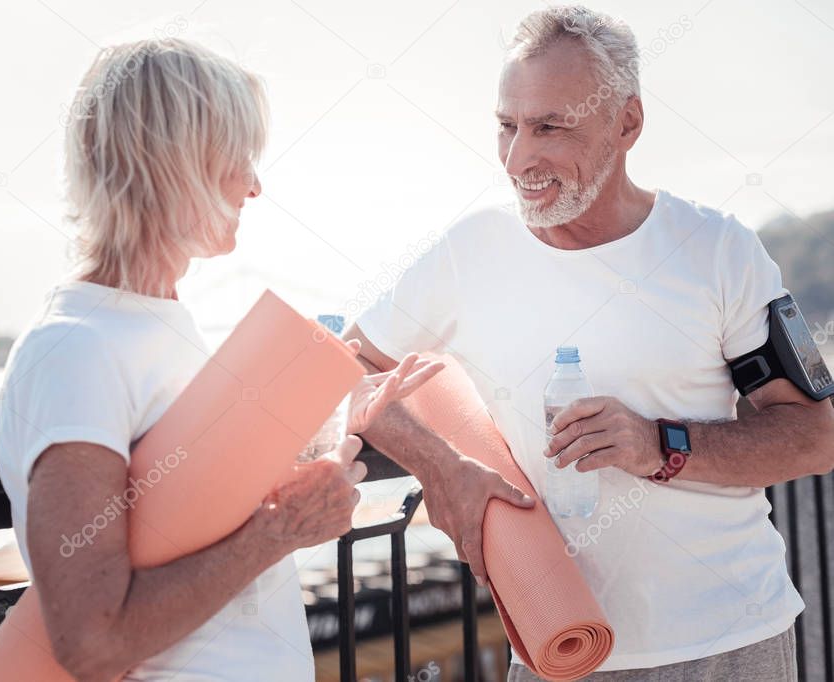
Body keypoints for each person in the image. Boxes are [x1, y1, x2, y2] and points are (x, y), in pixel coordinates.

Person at [345, 5, 834, 680]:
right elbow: (345, 365)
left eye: (551, 127)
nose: (520, 159)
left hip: (731, 642)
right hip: (555, 651)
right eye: (507, 126)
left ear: (626, 122)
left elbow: (812, 435)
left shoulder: (720, 250)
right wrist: (439, 468)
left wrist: (660, 444)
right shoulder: (469, 252)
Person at [0, 38, 443, 681]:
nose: (256, 185)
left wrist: (321, 431)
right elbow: (91, 641)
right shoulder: (75, 350)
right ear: (180, 164)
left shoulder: (153, 326)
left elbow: (190, 514)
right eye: (240, 158)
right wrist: (281, 531)